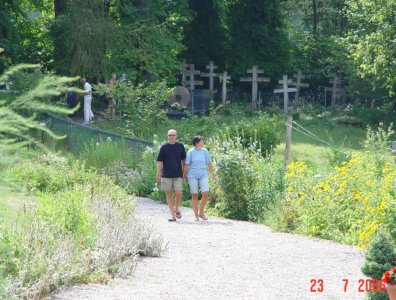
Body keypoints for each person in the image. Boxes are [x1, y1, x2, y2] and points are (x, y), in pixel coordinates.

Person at [183, 135, 216, 221]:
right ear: (197, 143)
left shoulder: (204, 151)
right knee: (195, 195)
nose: (203, 143)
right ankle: (196, 215)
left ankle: (201, 212)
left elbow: (209, 163)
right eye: (201, 141)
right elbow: (186, 164)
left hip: (203, 174)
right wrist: (184, 174)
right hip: (192, 175)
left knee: (205, 194)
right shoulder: (191, 152)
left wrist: (213, 173)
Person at [156, 129, 186, 222]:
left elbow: (184, 161)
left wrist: (184, 173)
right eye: (170, 135)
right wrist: (158, 174)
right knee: (168, 195)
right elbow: (160, 161)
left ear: (176, 136)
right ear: (167, 136)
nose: (171, 136)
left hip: (178, 174)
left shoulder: (180, 146)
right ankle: (173, 216)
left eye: (173, 135)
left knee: (179, 193)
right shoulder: (164, 147)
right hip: (166, 175)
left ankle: (176, 208)